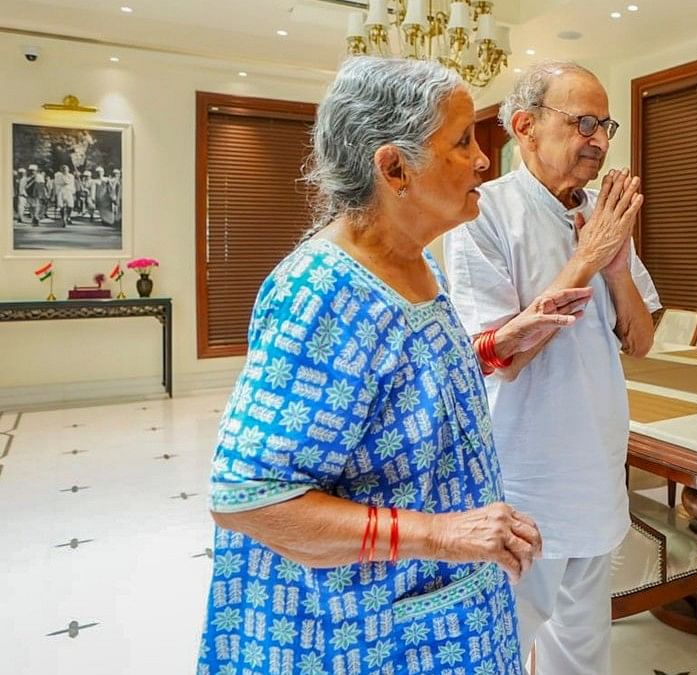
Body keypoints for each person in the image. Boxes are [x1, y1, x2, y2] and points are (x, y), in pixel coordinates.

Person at [197, 56, 596, 675]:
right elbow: (247, 498)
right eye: (462, 141)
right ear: (393, 167)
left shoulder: (413, 265)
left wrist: (503, 340)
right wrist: (442, 534)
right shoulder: (323, 292)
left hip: (441, 611)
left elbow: (409, 384)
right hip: (370, 633)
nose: (484, 160)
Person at [443, 61, 659, 674]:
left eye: (605, 124)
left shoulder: (602, 213)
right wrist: (589, 258)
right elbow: (501, 356)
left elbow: (640, 342)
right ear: (525, 127)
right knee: (501, 650)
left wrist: (616, 266)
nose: (598, 138)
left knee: (583, 654)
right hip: (525, 479)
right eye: (582, 122)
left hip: (596, 470)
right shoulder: (484, 213)